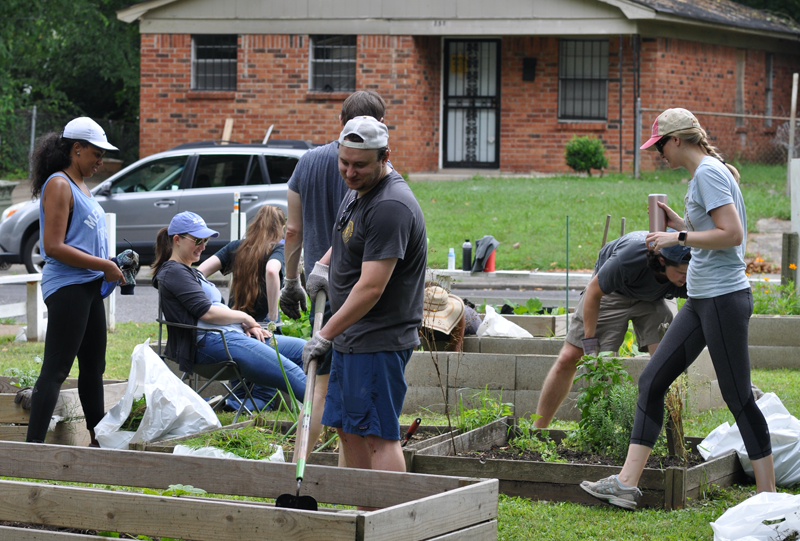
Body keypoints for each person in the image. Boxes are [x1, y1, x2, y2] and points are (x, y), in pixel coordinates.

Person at [581, 108, 775, 510]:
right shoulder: (704, 174)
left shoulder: (709, 172)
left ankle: (767, 497)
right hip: (701, 300)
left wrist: (679, 234)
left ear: (677, 140)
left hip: (723, 299)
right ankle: (625, 484)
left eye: (660, 147)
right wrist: (681, 221)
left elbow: (733, 233)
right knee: (652, 382)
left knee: (738, 396)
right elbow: (713, 225)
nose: (659, 155)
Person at [301, 116, 427, 475]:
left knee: (377, 435)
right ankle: (363, 508)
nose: (350, 172)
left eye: (359, 165)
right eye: (344, 162)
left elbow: (371, 287)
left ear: (385, 156)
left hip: (378, 339)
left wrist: (324, 334)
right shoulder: (358, 189)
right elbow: (348, 240)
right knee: (346, 427)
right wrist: (324, 266)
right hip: (351, 336)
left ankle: (387, 519)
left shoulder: (391, 206)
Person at [280, 90, 387, 453]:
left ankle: (302, 460)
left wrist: (291, 281)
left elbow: (292, 230)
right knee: (354, 396)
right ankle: (326, 472)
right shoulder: (379, 169)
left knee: (319, 386)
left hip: (321, 289)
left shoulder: (307, 162)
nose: (350, 170)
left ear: (341, 121)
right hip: (360, 293)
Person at [24, 117, 124, 446]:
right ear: (76, 149)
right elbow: (52, 246)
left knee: (94, 366)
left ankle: (99, 441)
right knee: (56, 369)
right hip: (68, 287)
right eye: (96, 154)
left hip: (89, 285)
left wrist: (109, 264)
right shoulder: (59, 184)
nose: (100, 161)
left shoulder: (82, 185)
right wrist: (103, 265)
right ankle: (32, 451)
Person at [152, 211, 306, 413]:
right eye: (198, 240)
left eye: (205, 240)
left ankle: (325, 408)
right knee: (290, 372)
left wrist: (242, 324)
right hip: (211, 342)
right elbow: (206, 312)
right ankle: (332, 413)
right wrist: (246, 317)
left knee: (307, 350)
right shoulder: (173, 271)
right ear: (177, 240)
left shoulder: (188, 270)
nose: (203, 246)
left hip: (233, 335)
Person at [534, 230, 690, 429]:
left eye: (689, 272)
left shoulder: (684, 273)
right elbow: (593, 292)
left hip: (657, 297)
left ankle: (670, 435)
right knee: (570, 356)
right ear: (661, 260)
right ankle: (537, 432)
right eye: (682, 273)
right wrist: (590, 345)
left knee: (667, 363)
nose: (687, 278)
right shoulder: (629, 257)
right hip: (613, 291)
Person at [198, 205, 306, 412]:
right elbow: (272, 271)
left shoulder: (236, 247)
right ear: (281, 227)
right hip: (260, 328)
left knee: (241, 389)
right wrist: (273, 317)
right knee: (265, 393)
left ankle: (232, 403)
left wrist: (214, 303)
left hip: (233, 328)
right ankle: (307, 406)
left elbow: (199, 272)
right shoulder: (277, 248)